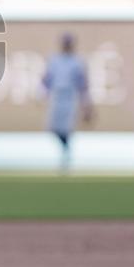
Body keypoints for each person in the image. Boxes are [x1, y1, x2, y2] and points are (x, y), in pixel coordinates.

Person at [41, 33, 93, 172]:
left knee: (67, 127)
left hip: (70, 96)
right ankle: (64, 148)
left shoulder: (77, 61)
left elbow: (83, 84)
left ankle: (66, 153)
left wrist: (86, 105)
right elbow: (47, 78)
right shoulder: (54, 60)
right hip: (57, 95)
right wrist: (43, 92)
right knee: (53, 126)